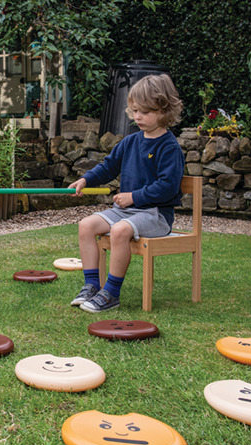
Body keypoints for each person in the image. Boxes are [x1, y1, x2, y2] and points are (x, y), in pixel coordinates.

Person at [68, 74, 184, 312]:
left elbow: (168, 187)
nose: (138, 117)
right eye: (135, 111)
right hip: (126, 211)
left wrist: (134, 197)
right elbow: (108, 167)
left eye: (145, 112)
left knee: (120, 231)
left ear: (164, 110)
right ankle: (92, 287)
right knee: (86, 226)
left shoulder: (169, 148)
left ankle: (111, 293)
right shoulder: (130, 142)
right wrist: (85, 179)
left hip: (156, 215)